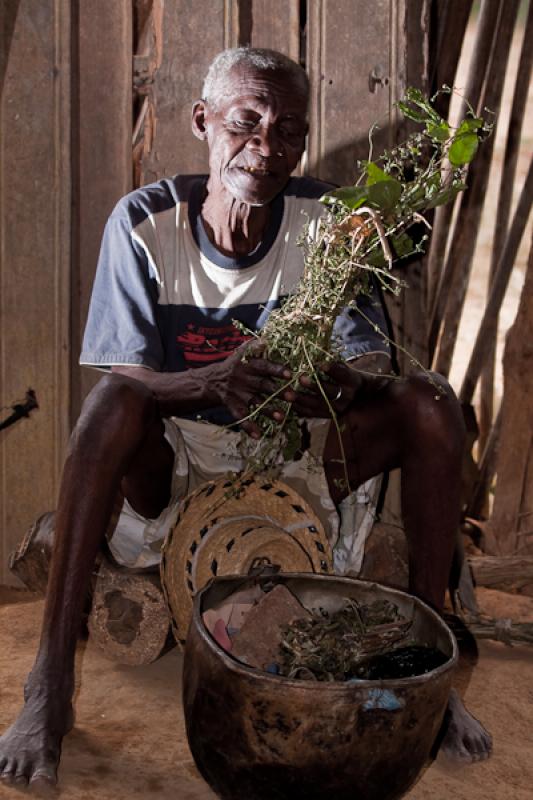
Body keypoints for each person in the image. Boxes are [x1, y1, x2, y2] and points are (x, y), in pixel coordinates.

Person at [0, 47, 492, 787]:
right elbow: (132, 383)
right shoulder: (145, 222)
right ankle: (49, 685)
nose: (265, 149)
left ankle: (425, 665)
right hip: (181, 455)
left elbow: (364, 366)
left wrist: (331, 383)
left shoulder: (331, 224)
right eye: (245, 122)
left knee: (428, 405)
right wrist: (215, 382)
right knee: (110, 403)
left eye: (288, 130)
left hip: (301, 446)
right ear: (202, 121)